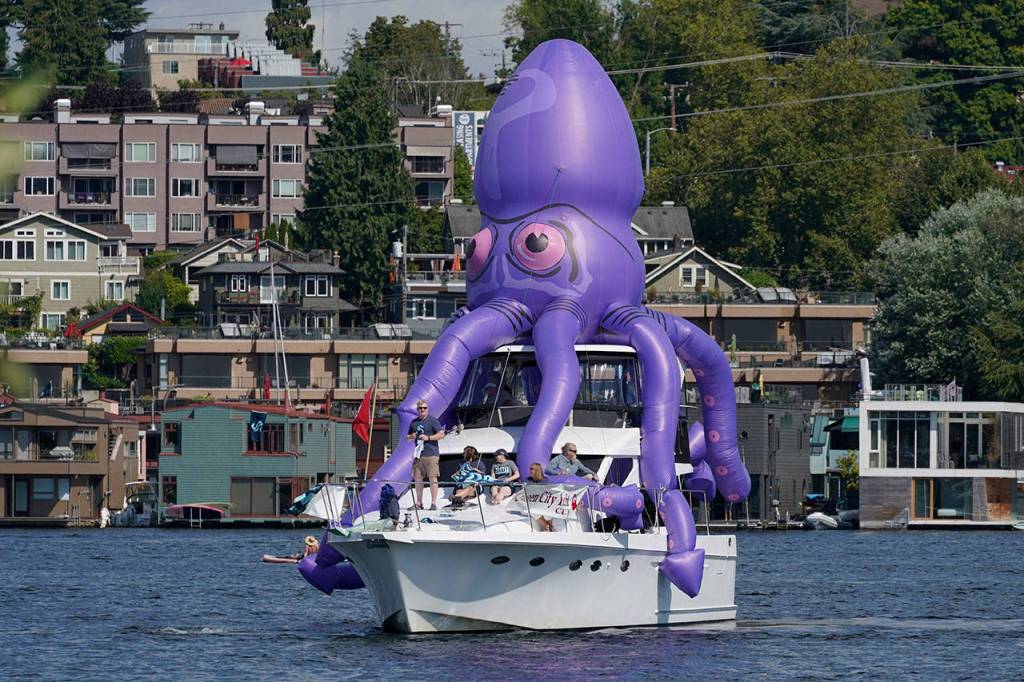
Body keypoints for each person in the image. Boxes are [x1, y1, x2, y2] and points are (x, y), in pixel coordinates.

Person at [408, 399, 444, 510]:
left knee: (432, 478)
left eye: (424, 408)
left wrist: (428, 437)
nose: (422, 410)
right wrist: (412, 436)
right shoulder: (414, 423)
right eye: (420, 408)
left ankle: (433, 503)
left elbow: (441, 434)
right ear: (417, 410)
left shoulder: (432, 420)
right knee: (418, 478)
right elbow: (408, 437)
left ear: (427, 409)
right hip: (418, 454)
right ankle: (419, 503)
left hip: (431, 453)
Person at [525, 462, 554, 532]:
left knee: (547, 512)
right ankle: (546, 526)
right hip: (532, 502)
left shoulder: (546, 481)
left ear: (537, 470)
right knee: (533, 511)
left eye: (532, 469)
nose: (530, 470)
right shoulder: (527, 480)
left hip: (544, 502)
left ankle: (551, 526)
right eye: (530, 469)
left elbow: (551, 493)